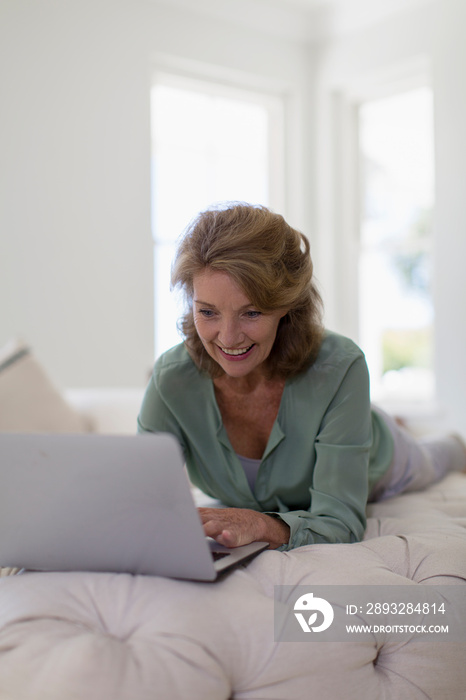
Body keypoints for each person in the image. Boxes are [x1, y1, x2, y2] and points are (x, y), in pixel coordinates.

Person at [137, 203, 466, 551]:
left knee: (433, 460)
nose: (228, 337)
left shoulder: (341, 367)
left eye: (251, 312)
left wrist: (262, 524)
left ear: (286, 306)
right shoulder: (170, 380)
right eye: (208, 312)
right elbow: (141, 502)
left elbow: (340, 521)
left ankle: (453, 444)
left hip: (385, 457)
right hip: (343, 419)